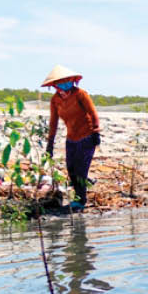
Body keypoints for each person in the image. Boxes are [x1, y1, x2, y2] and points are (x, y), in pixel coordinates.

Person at [42, 65, 101, 210]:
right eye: (61, 82)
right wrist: (50, 144)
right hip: (71, 139)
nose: (65, 84)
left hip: (87, 136)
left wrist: (96, 132)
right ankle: (84, 185)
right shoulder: (55, 100)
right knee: (71, 169)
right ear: (55, 85)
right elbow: (53, 123)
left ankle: (80, 201)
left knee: (80, 170)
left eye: (67, 81)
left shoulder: (80, 94)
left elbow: (93, 113)